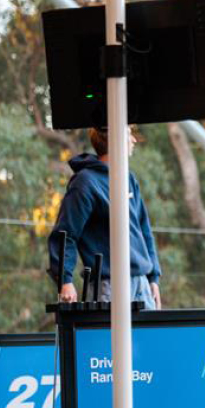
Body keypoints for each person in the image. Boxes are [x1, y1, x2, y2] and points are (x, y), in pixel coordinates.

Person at [48, 127, 161, 311]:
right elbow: (65, 234)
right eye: (128, 134)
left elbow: (144, 230)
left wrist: (153, 278)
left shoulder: (129, 179)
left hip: (142, 285)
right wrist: (65, 281)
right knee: (108, 341)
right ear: (116, 140)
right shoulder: (85, 182)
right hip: (109, 286)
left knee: (148, 340)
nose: (133, 140)